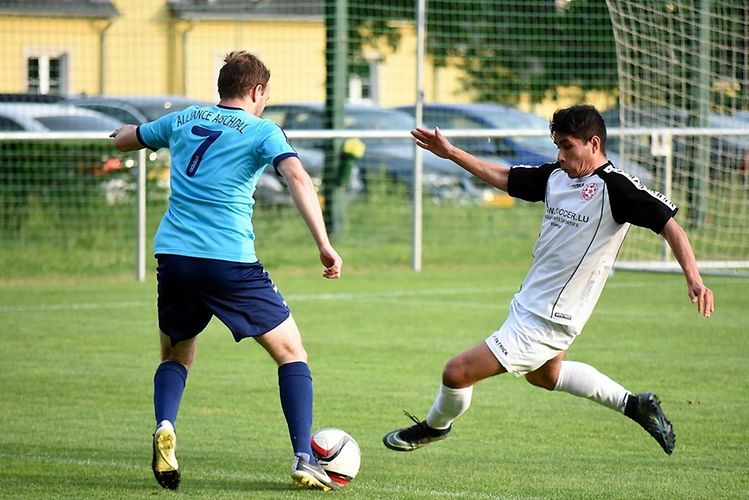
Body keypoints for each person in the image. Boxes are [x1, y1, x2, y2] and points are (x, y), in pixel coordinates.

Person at [383, 104, 714, 457]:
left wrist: (693, 277)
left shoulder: (616, 188)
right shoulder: (557, 176)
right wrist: (451, 153)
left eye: (568, 146)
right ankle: (635, 405)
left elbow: (669, 226)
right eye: (558, 146)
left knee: (456, 372)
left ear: (593, 144)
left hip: (550, 317)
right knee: (545, 376)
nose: (560, 155)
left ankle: (435, 426)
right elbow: (504, 176)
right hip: (532, 303)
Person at [111, 51, 342, 491]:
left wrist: (122, 132)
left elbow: (126, 139)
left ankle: (165, 424)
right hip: (228, 261)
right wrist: (324, 244)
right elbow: (296, 176)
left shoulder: (183, 118)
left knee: (176, 355)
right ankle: (304, 456)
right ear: (257, 91)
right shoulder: (262, 130)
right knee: (291, 352)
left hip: (174, 257)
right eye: (266, 96)